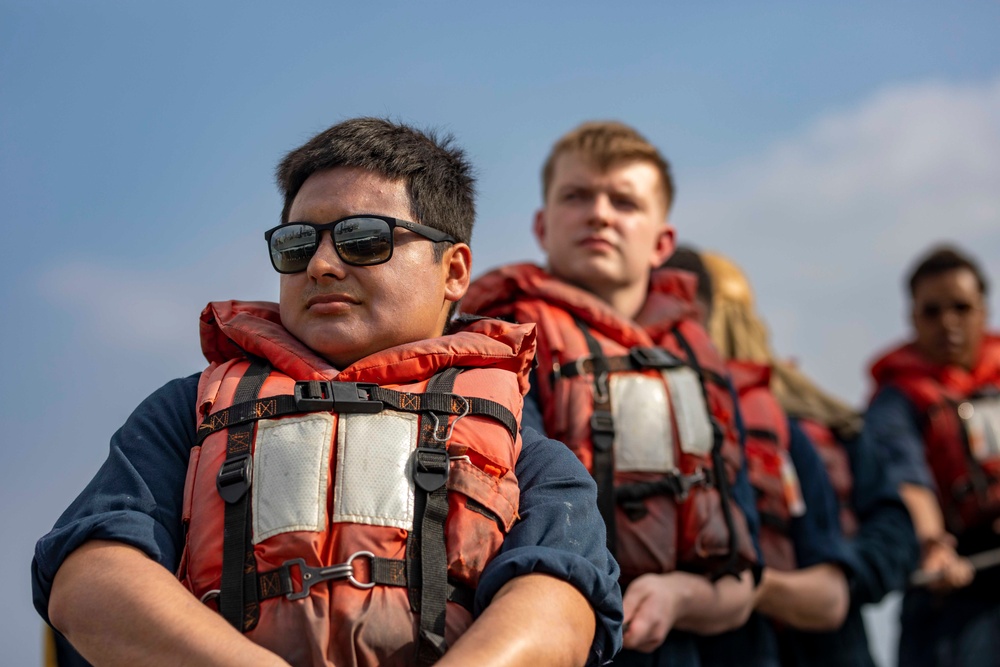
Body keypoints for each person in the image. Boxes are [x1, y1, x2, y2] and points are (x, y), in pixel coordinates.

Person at [31, 118, 623, 667]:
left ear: (455, 271)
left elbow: (562, 601)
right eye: (296, 244)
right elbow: (88, 576)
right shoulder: (186, 412)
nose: (320, 265)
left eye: (363, 240)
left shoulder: (525, 446)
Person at [462, 121, 759, 666]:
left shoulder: (697, 359)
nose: (599, 213)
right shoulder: (498, 343)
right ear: (542, 225)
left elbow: (743, 576)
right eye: (576, 196)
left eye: (624, 202)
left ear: (662, 242)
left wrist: (682, 595)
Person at [678, 248, 916, 666]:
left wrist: (835, 576)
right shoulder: (673, 407)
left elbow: (894, 528)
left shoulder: (818, 420)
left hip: (828, 641)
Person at [866, 244, 1000, 667]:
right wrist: (933, 543)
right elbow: (906, 473)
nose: (949, 323)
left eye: (961, 308)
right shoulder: (896, 399)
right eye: (933, 311)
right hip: (951, 577)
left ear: (983, 311)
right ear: (913, 318)